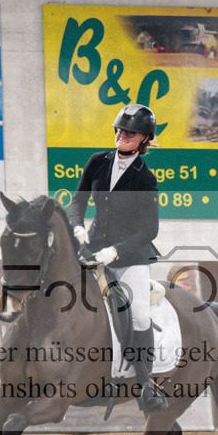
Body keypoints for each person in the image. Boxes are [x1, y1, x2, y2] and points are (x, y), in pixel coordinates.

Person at [67, 103, 168, 413]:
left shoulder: (145, 178)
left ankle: (146, 384)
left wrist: (117, 250)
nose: (122, 135)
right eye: (120, 130)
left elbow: (150, 229)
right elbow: (78, 200)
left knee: (138, 314)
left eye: (130, 132)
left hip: (130, 257)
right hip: (92, 247)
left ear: (144, 140)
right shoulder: (97, 162)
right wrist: (78, 228)